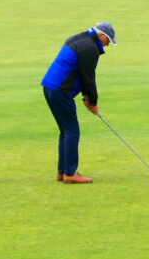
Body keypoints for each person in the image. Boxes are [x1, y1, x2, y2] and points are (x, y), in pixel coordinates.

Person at [41, 22, 117, 184]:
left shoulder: (79, 39)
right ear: (101, 35)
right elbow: (88, 77)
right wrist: (93, 102)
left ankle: (63, 172)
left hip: (50, 88)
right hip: (60, 91)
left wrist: (86, 97)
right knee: (72, 132)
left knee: (66, 131)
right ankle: (70, 173)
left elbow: (80, 73)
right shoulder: (90, 48)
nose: (107, 44)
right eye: (108, 40)